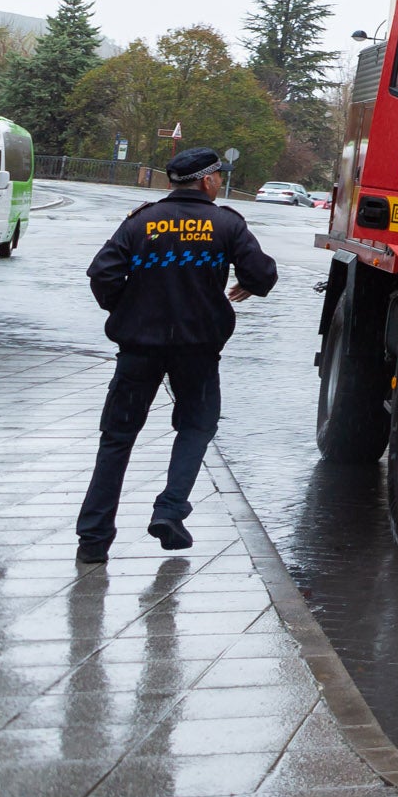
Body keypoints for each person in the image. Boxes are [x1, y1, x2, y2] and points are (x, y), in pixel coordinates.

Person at [76, 147, 278, 562]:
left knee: (117, 438)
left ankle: (94, 540)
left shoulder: (140, 221)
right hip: (198, 350)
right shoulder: (227, 224)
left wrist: (129, 308)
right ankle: (170, 509)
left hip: (138, 349)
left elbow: (102, 274)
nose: (219, 182)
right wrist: (249, 284)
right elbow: (261, 273)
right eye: (218, 176)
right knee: (197, 426)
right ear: (206, 181)